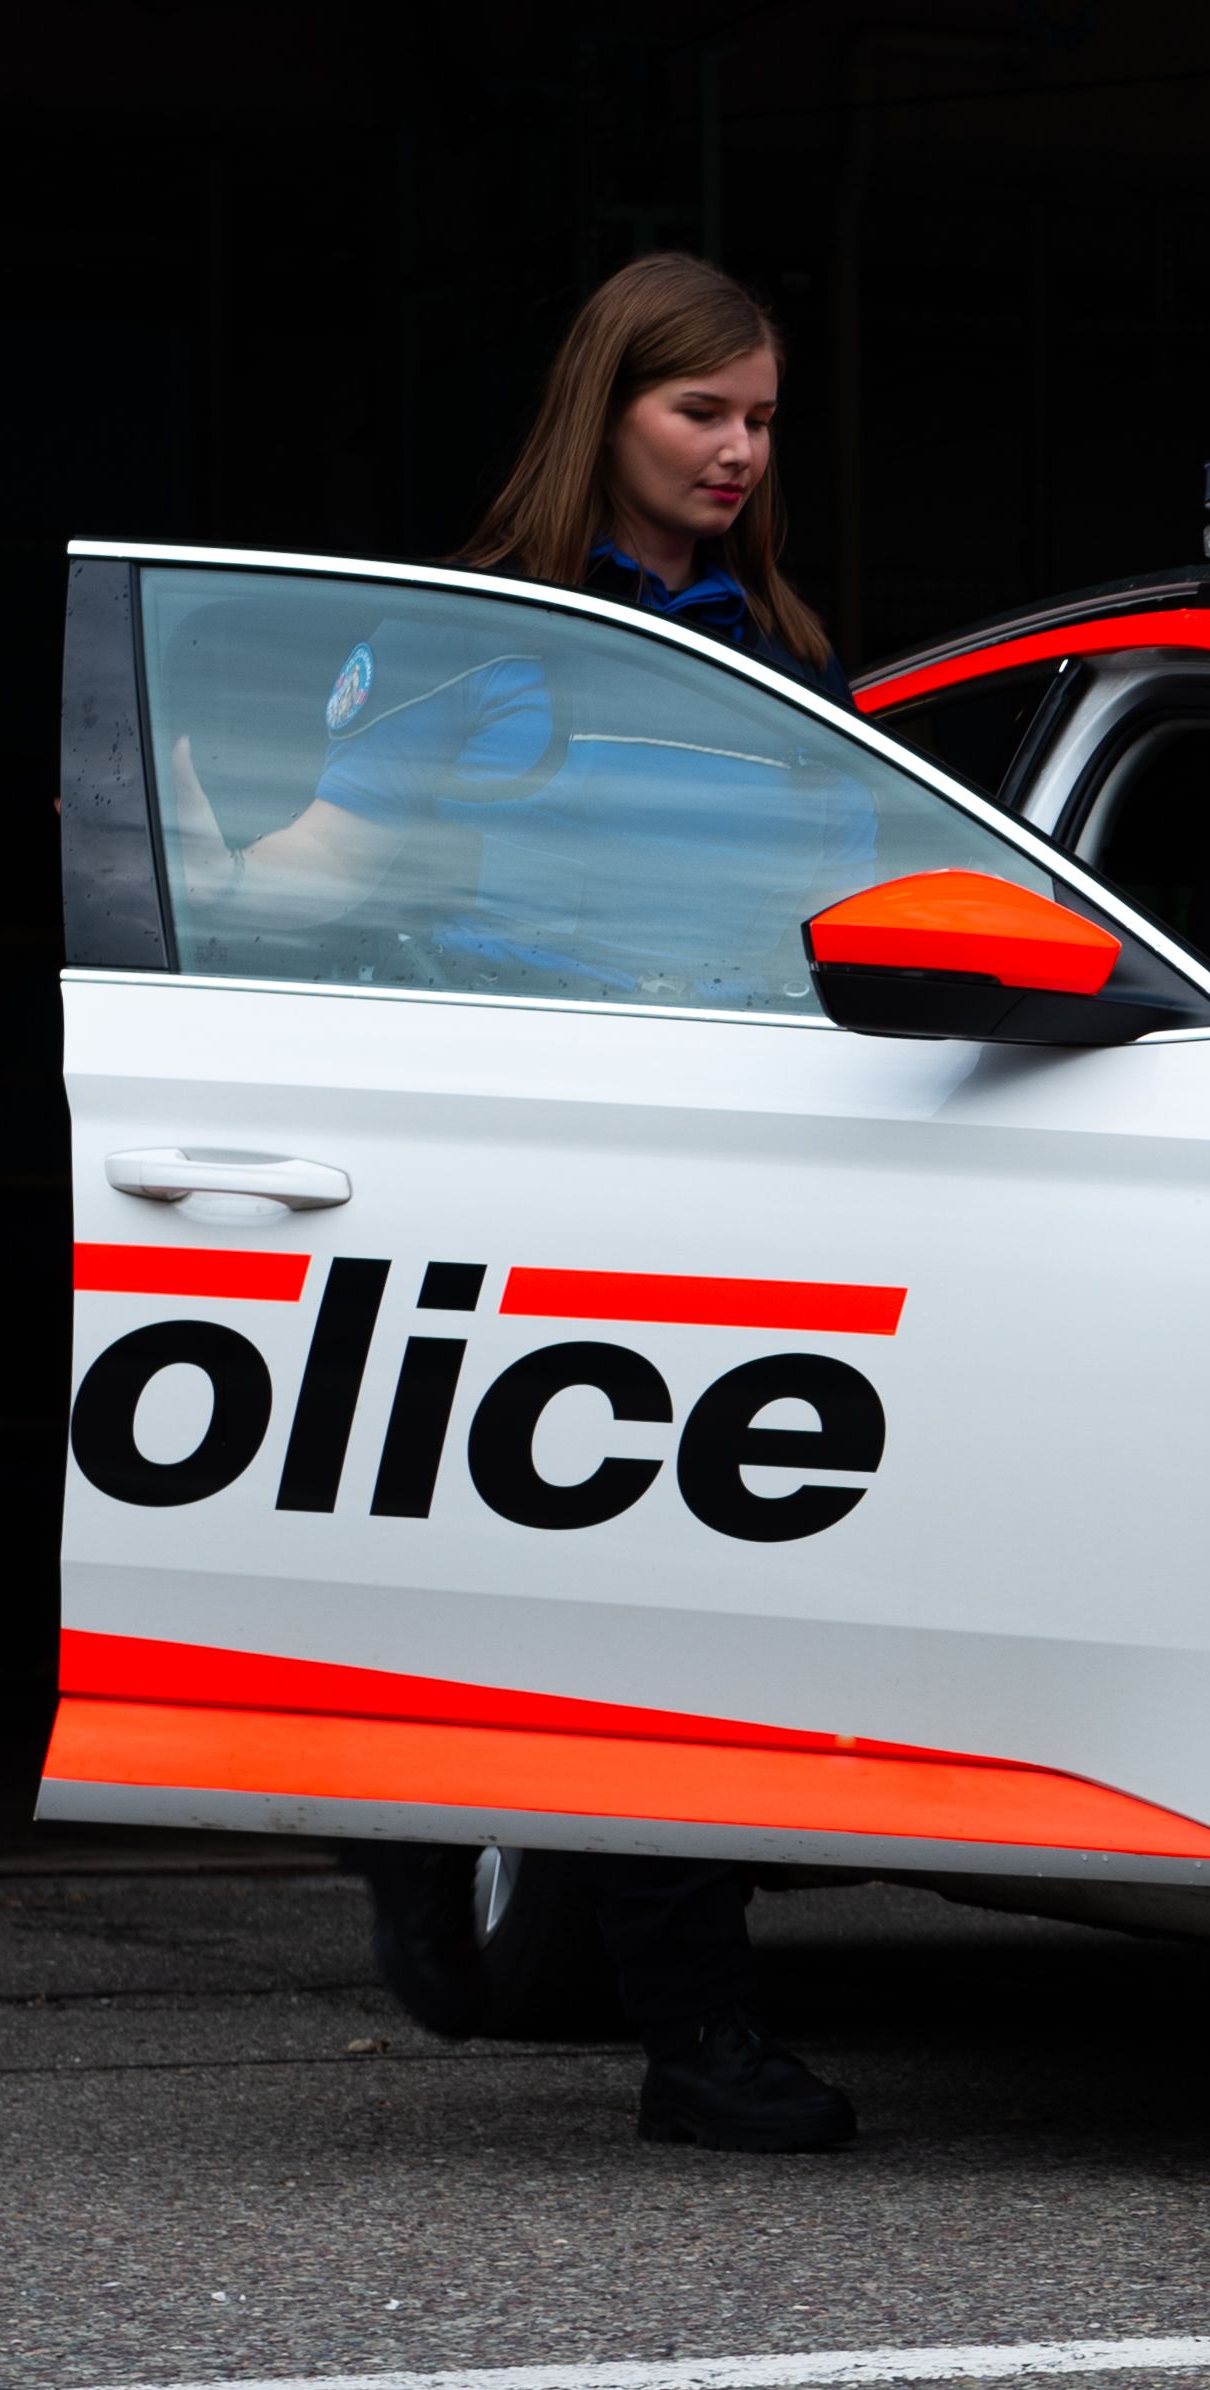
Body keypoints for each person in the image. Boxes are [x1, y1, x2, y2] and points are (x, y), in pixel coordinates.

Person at [309, 252, 861, 2154]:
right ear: (605, 406)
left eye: (761, 420)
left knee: (692, 1582)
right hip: (525, 1148)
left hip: (740, 1160)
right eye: (697, 411)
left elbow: (846, 926)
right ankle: (687, 2023)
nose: (734, 450)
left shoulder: (785, 651)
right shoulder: (476, 633)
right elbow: (310, 883)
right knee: (589, 1578)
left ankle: (670, 2012)